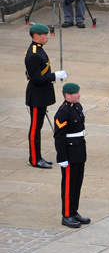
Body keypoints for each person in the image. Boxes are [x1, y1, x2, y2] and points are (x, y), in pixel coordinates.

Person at [25, 23, 68, 168]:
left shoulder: (39, 50)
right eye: (45, 35)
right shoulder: (34, 54)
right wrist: (54, 75)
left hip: (41, 94)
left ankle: (37, 156)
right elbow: (36, 78)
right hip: (36, 96)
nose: (47, 37)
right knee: (35, 128)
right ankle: (34, 158)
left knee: (38, 126)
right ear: (36, 36)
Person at [54, 82, 88, 228]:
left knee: (77, 183)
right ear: (68, 95)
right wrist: (61, 157)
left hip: (79, 150)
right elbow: (59, 137)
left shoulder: (77, 107)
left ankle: (74, 211)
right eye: (76, 93)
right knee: (68, 185)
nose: (79, 95)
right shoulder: (63, 112)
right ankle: (67, 215)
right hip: (69, 152)